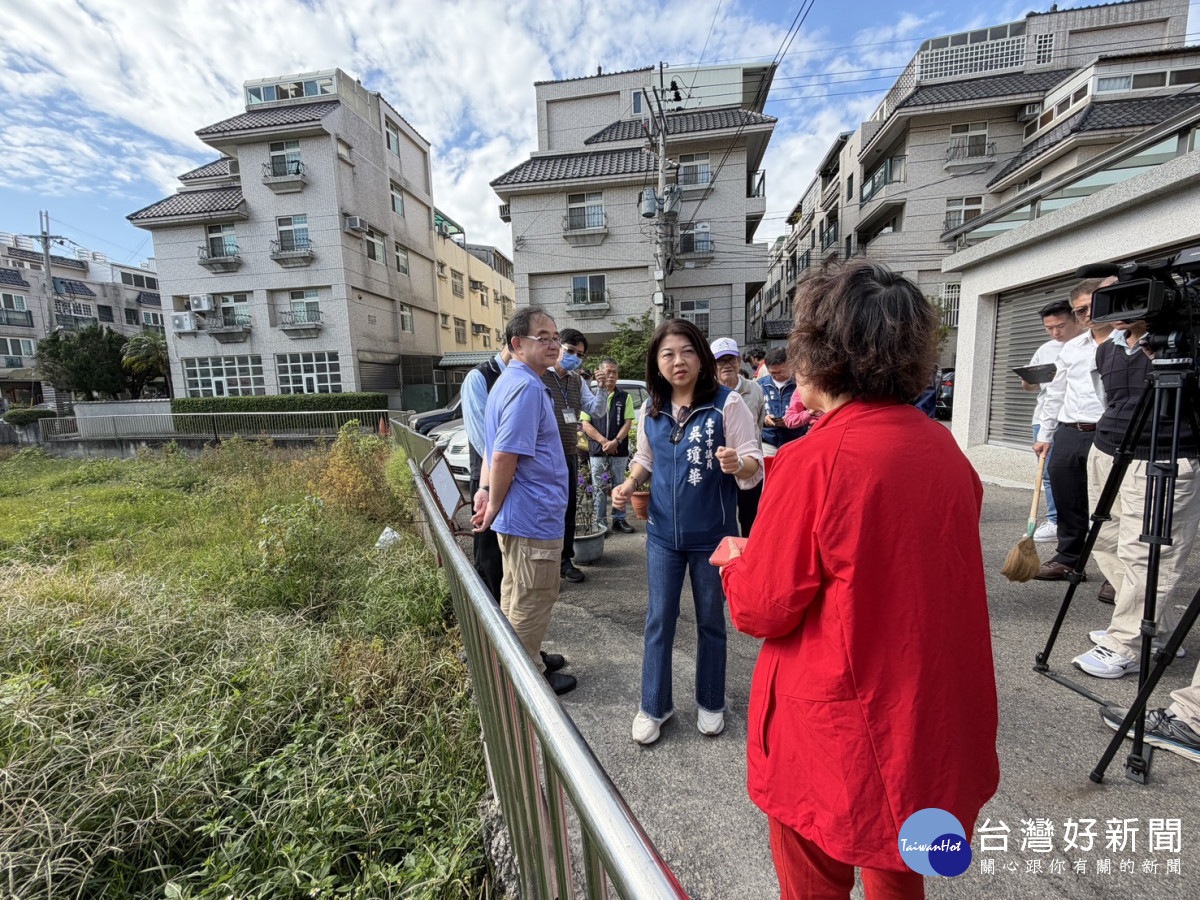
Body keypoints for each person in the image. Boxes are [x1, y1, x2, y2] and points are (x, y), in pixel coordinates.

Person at [720, 260, 999, 898]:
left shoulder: (813, 460)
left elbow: (764, 609)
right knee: (898, 864)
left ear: (823, 353)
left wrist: (740, 561)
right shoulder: (942, 450)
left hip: (837, 721)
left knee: (813, 868)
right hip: (921, 710)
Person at [612, 320, 762, 745]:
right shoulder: (651, 410)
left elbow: (753, 464)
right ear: (656, 365)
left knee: (711, 621)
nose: (678, 362)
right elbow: (646, 459)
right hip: (662, 534)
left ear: (702, 357)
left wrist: (738, 464)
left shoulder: (726, 405)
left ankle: (712, 700)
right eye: (667, 355)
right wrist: (629, 484)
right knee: (659, 619)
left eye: (686, 352)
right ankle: (654, 706)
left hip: (713, 539)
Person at [1072, 310, 1200, 679]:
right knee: (1107, 540)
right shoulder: (1107, 349)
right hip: (1109, 448)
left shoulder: (1184, 342)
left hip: (1164, 456)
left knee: (1147, 553)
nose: (1116, 312)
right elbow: (1110, 399)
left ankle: (1126, 642)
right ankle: (1154, 629)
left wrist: (1171, 359)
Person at [472, 306, 576, 696]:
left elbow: (492, 448)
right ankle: (525, 677)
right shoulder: (528, 386)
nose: (554, 344)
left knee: (517, 591)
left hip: (520, 515)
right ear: (517, 344)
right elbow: (503, 456)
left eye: (555, 337)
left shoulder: (507, 381)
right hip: (531, 515)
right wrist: (493, 502)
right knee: (533, 596)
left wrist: (485, 494)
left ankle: (524, 654)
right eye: (543, 337)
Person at [1033, 279, 1113, 585]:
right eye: (1081, 310)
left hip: (1108, 432)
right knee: (1067, 499)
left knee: (1110, 505)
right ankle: (1069, 558)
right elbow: (1055, 393)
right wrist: (1046, 435)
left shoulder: (1126, 342)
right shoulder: (1071, 349)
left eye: (1093, 307)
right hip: (1069, 430)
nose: (1088, 315)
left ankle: (1116, 573)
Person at [541, 328, 607, 584]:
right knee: (546, 509)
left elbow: (596, 410)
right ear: (557, 346)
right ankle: (544, 563)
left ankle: (564, 561)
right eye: (570, 351)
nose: (574, 358)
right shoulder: (538, 376)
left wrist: (601, 388)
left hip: (568, 453)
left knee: (568, 510)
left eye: (579, 355)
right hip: (543, 455)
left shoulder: (577, 380)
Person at [1022, 300, 1085, 544]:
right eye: (1049, 328)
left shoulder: (1090, 345)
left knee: (1081, 473)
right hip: (1045, 416)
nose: (1055, 332)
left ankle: (1082, 522)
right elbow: (1028, 386)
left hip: (1077, 418)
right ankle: (1055, 520)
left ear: (1075, 319)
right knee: (1048, 473)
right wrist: (1030, 378)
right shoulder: (1046, 349)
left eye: (1060, 326)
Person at [712, 337, 766, 536]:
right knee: (719, 515)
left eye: (730, 359)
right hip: (718, 466)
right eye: (720, 361)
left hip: (747, 463)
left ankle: (749, 556)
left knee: (749, 516)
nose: (726, 365)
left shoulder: (754, 389)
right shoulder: (708, 393)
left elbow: (758, 425)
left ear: (739, 361)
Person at [581, 357, 636, 534]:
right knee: (599, 488)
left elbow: (628, 422)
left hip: (619, 450)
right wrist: (604, 442)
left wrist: (616, 441)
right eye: (607, 372)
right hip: (598, 450)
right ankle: (600, 522)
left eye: (614, 372)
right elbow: (586, 423)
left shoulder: (624, 397)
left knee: (620, 485)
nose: (611, 375)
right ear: (600, 374)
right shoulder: (590, 395)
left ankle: (619, 519)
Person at [758, 348, 806, 455]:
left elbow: (812, 411)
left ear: (790, 365)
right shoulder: (760, 385)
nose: (777, 375)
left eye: (781, 371)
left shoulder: (801, 384)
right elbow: (752, 413)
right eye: (773, 373)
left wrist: (794, 419)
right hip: (768, 441)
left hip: (797, 439)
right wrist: (764, 418)